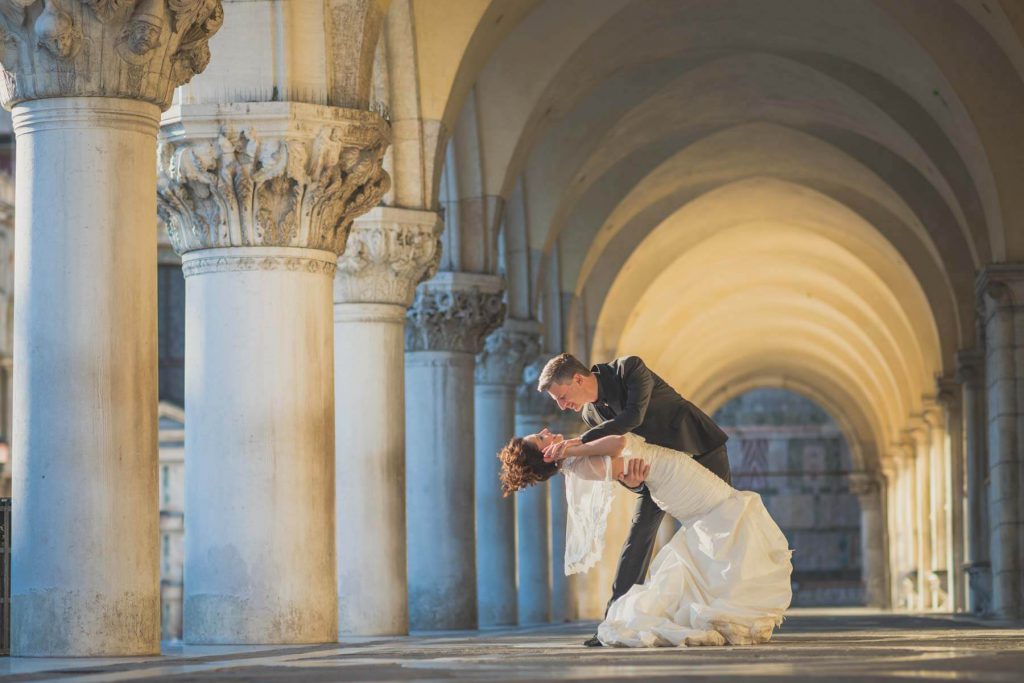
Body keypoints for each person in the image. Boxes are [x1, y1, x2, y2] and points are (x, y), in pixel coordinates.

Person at [497, 429, 793, 647]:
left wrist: (580, 449)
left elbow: (625, 468)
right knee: (726, 512)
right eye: (540, 438)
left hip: (673, 469)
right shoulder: (576, 464)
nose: (546, 432)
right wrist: (575, 452)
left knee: (724, 515)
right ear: (547, 454)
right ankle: (732, 605)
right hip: (670, 477)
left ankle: (730, 602)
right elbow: (621, 448)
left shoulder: (575, 454)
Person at [537, 353, 732, 646]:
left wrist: (579, 442)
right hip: (657, 475)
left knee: (719, 528)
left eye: (562, 397)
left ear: (578, 378)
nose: (562, 406)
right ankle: (612, 623)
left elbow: (633, 418)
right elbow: (619, 467)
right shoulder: (590, 416)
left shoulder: (629, 369)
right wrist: (633, 482)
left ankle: (724, 612)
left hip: (701, 449)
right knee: (638, 536)